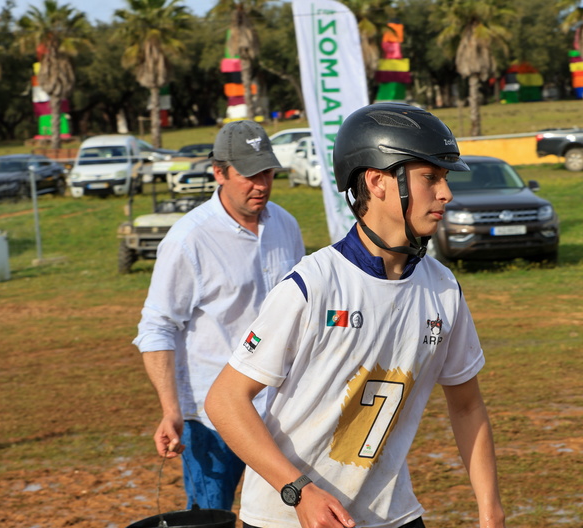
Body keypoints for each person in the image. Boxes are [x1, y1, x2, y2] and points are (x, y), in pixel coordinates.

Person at [206, 102, 505, 528]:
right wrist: (298, 492)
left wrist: (490, 509)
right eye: (430, 178)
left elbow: (467, 406)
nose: (446, 193)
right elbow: (224, 400)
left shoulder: (443, 290)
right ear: (377, 181)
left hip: (392, 515)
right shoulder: (313, 286)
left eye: (444, 179)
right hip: (288, 517)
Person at [133, 120, 305, 510]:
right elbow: (158, 326)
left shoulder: (286, 226)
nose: (260, 184)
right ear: (219, 172)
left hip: (280, 409)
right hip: (212, 419)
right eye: (248, 174)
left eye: (267, 172)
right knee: (211, 518)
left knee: (288, 514)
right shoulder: (188, 239)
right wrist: (171, 410)